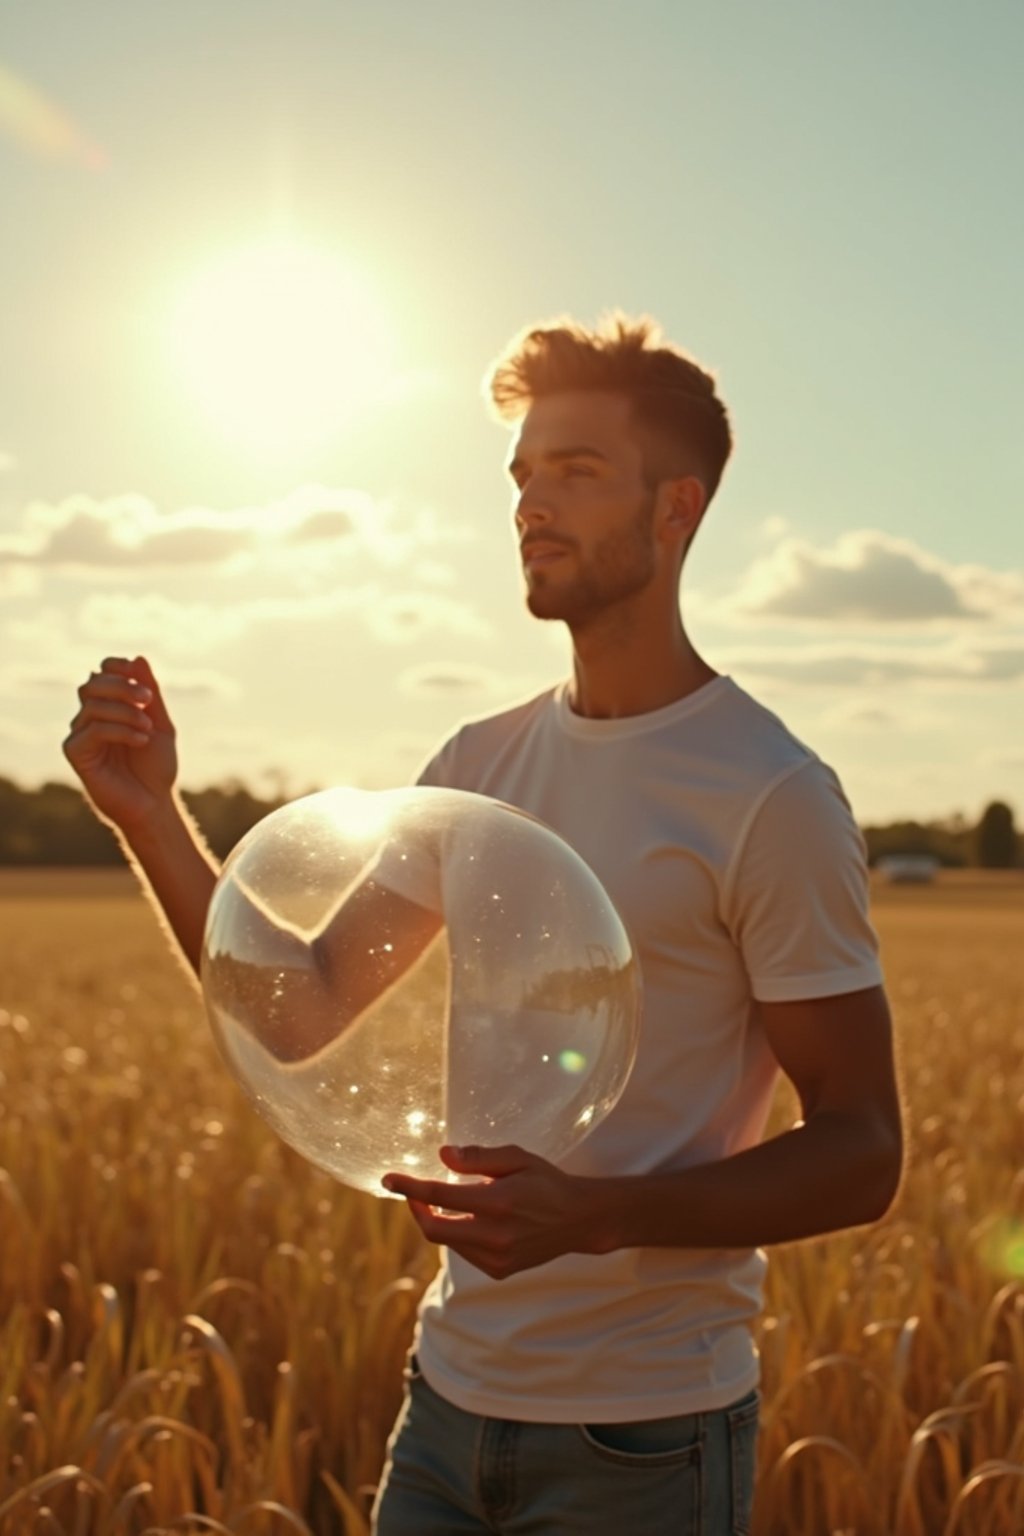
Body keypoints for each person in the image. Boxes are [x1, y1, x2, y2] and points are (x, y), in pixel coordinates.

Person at [65, 314, 903, 1535]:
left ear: (678, 510)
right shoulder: (477, 764)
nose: (530, 505)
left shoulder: (767, 793)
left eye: (575, 472)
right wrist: (149, 816)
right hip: (447, 1406)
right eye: (521, 475)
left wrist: (602, 1212)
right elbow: (297, 1010)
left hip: (645, 1442)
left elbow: (863, 1148)